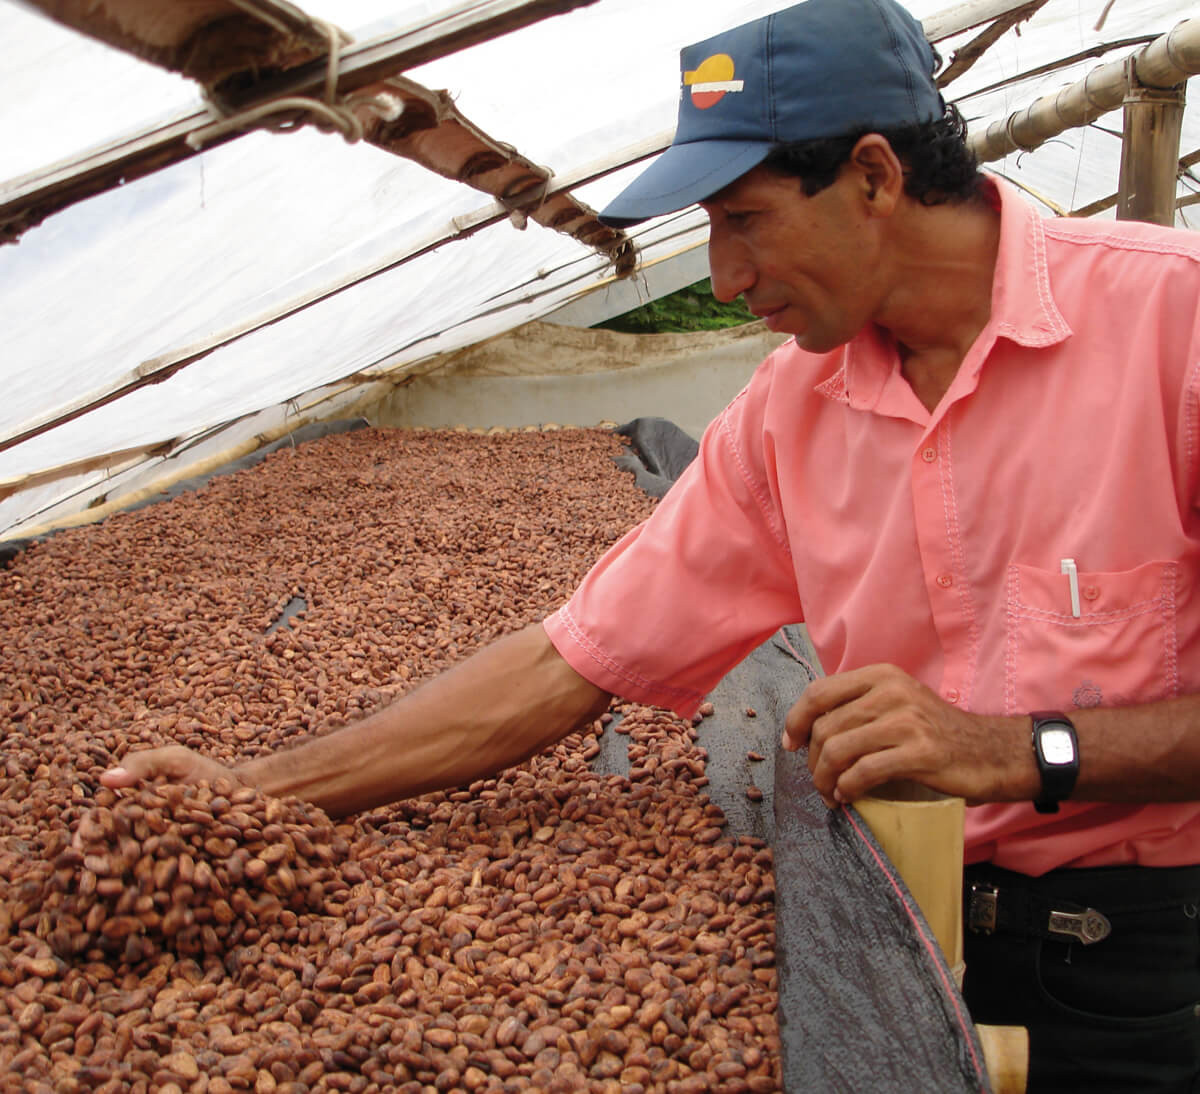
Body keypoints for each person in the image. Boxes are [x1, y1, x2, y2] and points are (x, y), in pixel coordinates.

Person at [102, 0, 1200, 1089]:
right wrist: (254, 791)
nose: (722, 277)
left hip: (1141, 964)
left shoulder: (1169, 326)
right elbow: (572, 658)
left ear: (873, 175)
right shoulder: (790, 409)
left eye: (743, 219)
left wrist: (1020, 748)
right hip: (888, 924)